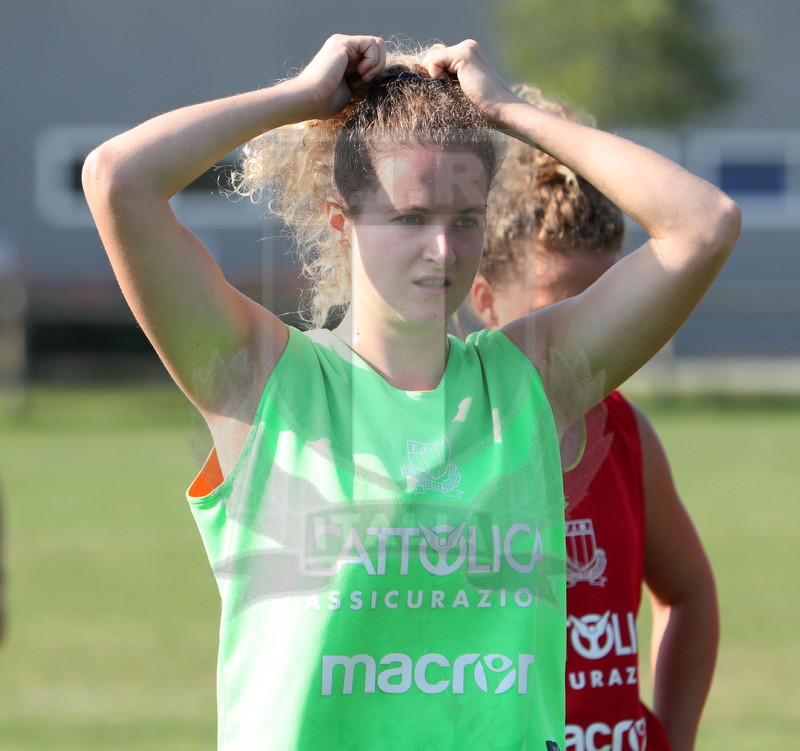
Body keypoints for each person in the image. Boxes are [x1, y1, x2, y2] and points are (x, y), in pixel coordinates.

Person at [81, 34, 739, 750]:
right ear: (344, 221)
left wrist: (511, 113)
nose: (444, 250)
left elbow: (703, 225)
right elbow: (117, 179)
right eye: (410, 217)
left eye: (465, 219)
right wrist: (298, 99)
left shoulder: (527, 384)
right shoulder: (266, 383)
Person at [469, 86, 720, 751]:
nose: (600, 330)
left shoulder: (628, 437)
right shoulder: (446, 447)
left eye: (614, 301)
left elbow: (689, 593)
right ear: (486, 302)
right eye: (565, 305)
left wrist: (674, 736)